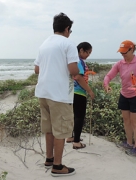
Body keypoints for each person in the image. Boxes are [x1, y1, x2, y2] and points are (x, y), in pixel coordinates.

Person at [34, 12, 79, 177]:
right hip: (59, 94)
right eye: (70, 30)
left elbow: (37, 69)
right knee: (60, 130)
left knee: (49, 129)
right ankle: (58, 167)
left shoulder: (44, 44)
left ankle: (49, 159)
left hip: (43, 92)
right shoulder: (67, 43)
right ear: (67, 29)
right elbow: (73, 70)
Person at [103, 40, 136, 157]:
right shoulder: (120, 63)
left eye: (125, 52)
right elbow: (109, 75)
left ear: (131, 50)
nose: (123, 54)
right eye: (121, 52)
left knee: (135, 123)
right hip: (124, 94)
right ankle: (129, 143)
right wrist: (106, 84)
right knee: (126, 120)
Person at [66, 42, 95, 149]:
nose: (88, 55)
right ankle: (76, 142)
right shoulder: (79, 61)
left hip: (70, 92)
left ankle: (70, 136)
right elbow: (78, 77)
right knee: (79, 117)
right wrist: (89, 91)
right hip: (79, 92)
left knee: (72, 115)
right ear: (81, 50)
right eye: (88, 52)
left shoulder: (72, 60)